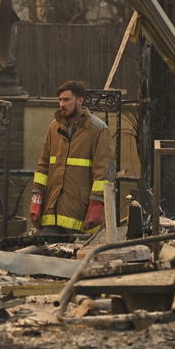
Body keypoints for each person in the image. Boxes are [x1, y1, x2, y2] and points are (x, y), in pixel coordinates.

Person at [29, 80, 114, 234]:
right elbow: (43, 166)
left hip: (79, 214)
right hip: (51, 212)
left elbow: (104, 173)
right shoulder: (54, 127)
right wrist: (37, 197)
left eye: (67, 100)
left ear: (80, 101)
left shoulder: (98, 130)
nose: (62, 104)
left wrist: (97, 204)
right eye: (60, 100)